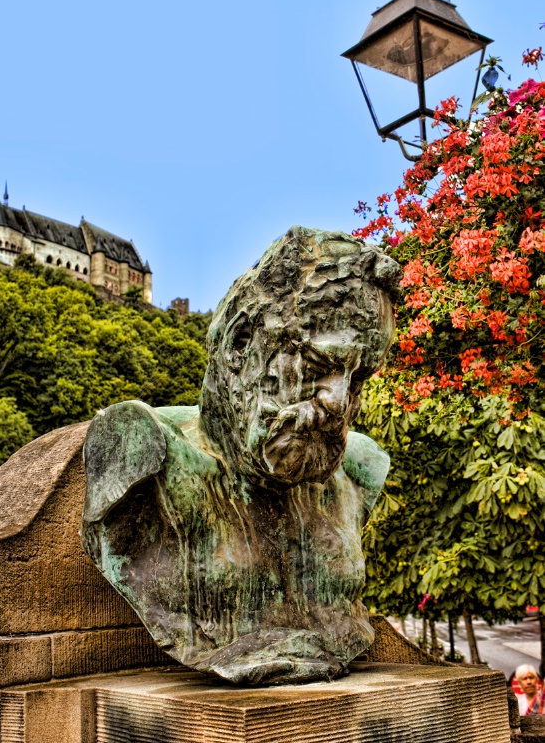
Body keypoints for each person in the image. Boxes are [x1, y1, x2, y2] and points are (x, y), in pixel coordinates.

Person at [82, 226, 402, 685]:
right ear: (239, 344)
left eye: (359, 378)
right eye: (317, 366)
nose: (339, 402)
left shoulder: (358, 468)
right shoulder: (142, 451)